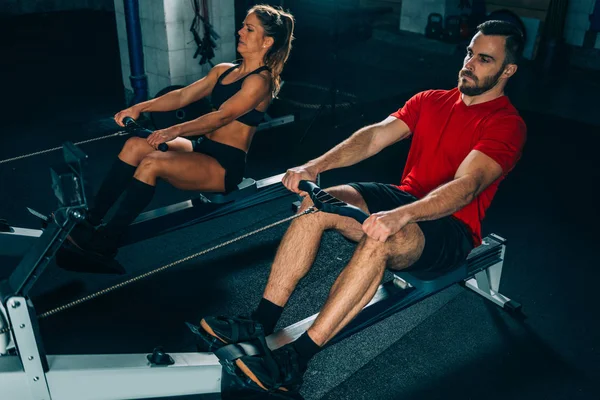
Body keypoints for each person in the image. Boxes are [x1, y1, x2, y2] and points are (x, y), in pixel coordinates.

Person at [198, 20, 527, 393]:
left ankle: (296, 360)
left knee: (382, 241)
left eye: (484, 59)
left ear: (507, 70)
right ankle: (260, 319)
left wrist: (402, 215)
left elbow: (467, 187)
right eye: (469, 53)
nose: (469, 63)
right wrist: (314, 166)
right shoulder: (431, 99)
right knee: (318, 202)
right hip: (405, 199)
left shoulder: (506, 125)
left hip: (451, 229)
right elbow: (373, 137)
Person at [69, 4, 295, 257]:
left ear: (267, 42)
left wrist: (172, 131)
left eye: (249, 29)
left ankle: (107, 242)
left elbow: (221, 117)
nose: (240, 32)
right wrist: (139, 107)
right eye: (243, 26)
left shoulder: (260, 81)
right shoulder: (224, 70)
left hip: (224, 165)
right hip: (201, 148)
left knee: (152, 162)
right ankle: (91, 220)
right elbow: (182, 96)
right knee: (135, 145)